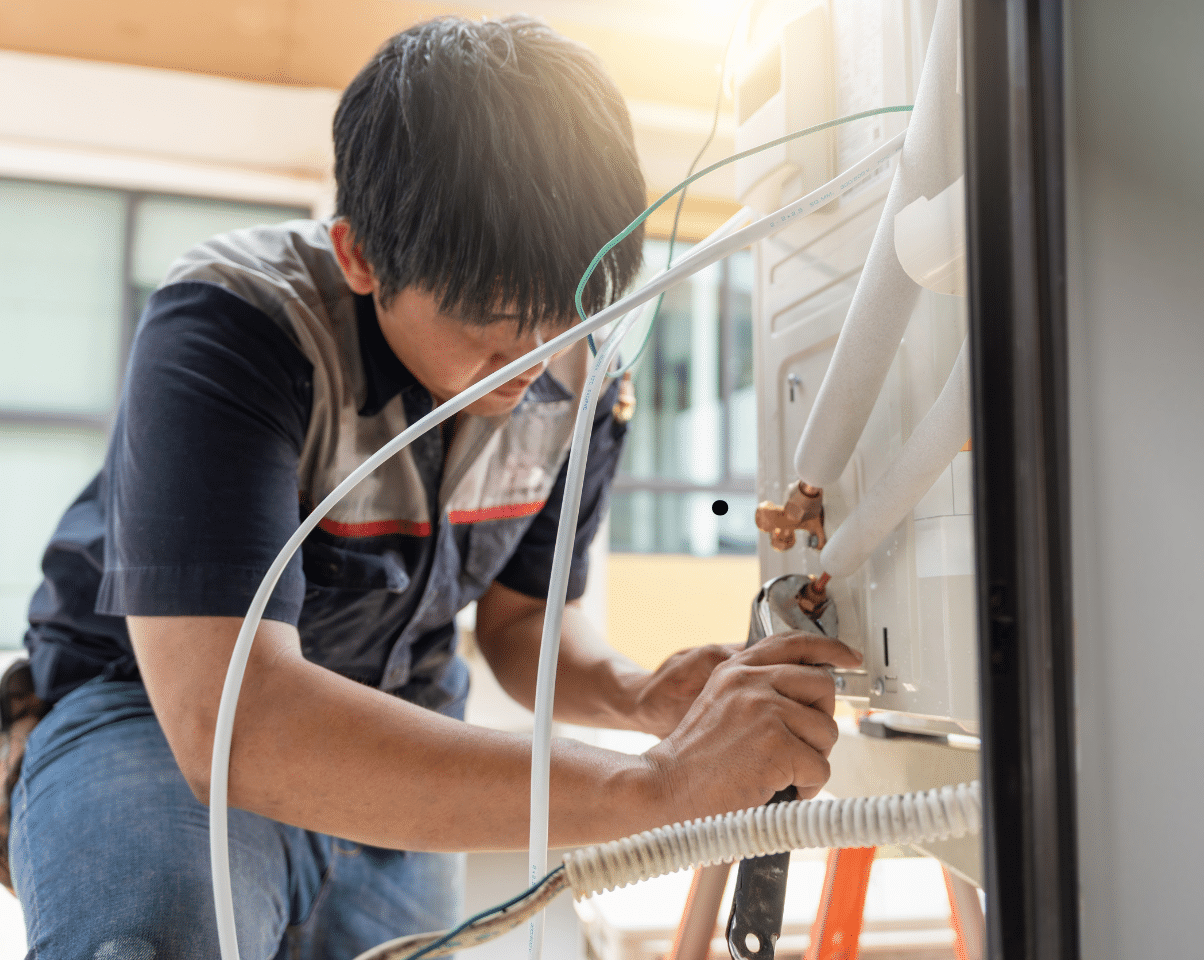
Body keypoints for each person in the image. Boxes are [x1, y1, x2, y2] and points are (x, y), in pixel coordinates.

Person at [6, 15, 858, 960]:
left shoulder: (579, 367)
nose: (536, 363)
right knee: (156, 942)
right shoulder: (234, 325)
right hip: (154, 723)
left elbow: (520, 624)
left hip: (403, 722)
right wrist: (652, 786)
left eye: (570, 315)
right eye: (496, 324)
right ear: (361, 256)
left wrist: (637, 694)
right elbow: (232, 725)